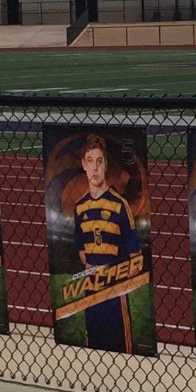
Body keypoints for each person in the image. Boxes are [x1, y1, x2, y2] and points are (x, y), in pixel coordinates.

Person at [73, 133, 146, 352]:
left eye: (99, 161)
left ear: (106, 166)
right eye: (90, 161)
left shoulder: (120, 206)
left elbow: (135, 256)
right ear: (83, 165)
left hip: (114, 292)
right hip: (91, 289)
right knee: (93, 348)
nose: (95, 168)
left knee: (119, 350)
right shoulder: (79, 207)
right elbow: (82, 251)